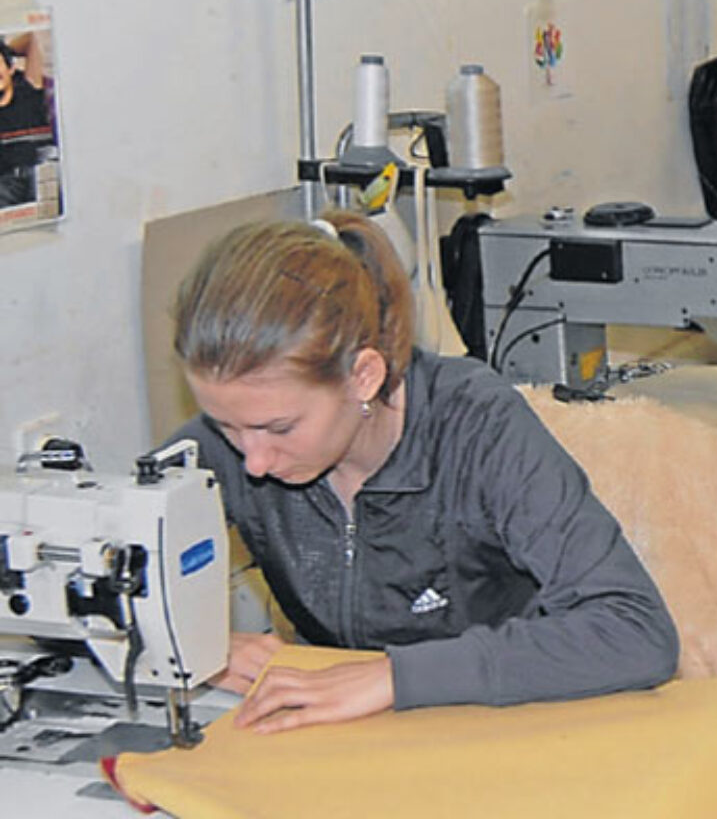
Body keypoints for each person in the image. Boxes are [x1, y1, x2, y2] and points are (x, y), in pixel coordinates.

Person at [169, 211, 678, 735]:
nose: (252, 460)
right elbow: (121, 560)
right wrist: (192, 643)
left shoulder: (479, 429)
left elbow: (635, 631)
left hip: (502, 724)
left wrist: (397, 677)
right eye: (226, 426)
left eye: (280, 428)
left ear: (363, 376)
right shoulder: (230, 439)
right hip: (345, 738)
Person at [0, 34, 54, 209]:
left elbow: (31, 40)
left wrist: (5, 50)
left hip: (41, 172)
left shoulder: (28, 87)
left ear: (11, 68)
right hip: (6, 185)